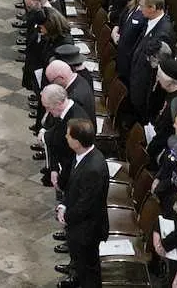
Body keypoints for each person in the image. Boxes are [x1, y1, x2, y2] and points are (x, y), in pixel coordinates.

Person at [55, 117, 108, 288]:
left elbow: (85, 205)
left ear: (77, 141)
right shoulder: (81, 155)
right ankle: (76, 278)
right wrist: (64, 204)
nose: (66, 137)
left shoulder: (93, 168)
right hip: (79, 225)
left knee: (88, 270)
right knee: (80, 263)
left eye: (68, 136)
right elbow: (73, 186)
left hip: (87, 229)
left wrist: (66, 216)